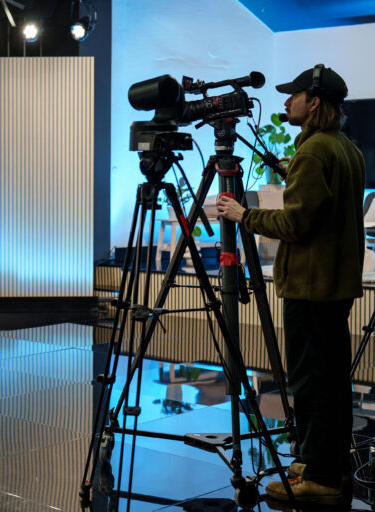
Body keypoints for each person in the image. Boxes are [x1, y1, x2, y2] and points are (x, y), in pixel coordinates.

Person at [217, 65, 365, 504]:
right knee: (332, 381)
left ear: (314, 101)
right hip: (334, 284)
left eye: (293, 95)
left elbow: (297, 224)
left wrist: (245, 215)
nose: (286, 102)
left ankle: (318, 478)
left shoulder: (315, 151)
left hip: (309, 286)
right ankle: (327, 464)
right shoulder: (345, 148)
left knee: (311, 381)